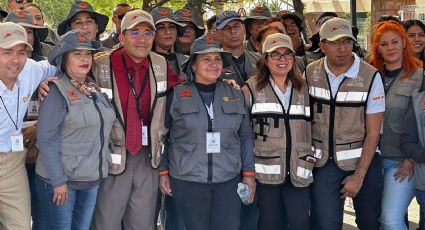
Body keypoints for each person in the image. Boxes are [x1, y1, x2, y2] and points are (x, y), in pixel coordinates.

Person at [90, 9, 181, 230]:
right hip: (111, 156)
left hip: (147, 157)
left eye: (148, 33)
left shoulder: (160, 64)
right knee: (106, 223)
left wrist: (220, 86)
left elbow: (182, 91)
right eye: (135, 33)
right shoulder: (100, 64)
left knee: (142, 223)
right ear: (121, 37)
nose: (142, 39)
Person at [159, 34, 256, 230]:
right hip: (187, 179)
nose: (213, 64)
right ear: (193, 65)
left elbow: (245, 136)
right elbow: (163, 136)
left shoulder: (235, 95)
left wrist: (249, 174)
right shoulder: (176, 95)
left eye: (217, 59)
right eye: (206, 59)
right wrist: (163, 172)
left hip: (227, 180)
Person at [305, 17, 385, 230]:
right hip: (324, 165)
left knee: (369, 223)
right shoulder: (310, 72)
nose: (342, 48)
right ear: (322, 46)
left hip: (363, 163)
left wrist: (359, 176)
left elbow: (374, 132)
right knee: (326, 224)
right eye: (334, 42)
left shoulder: (370, 76)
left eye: (347, 41)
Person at [35, 29, 116, 229]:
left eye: (87, 53)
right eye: (77, 54)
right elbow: (47, 139)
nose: (84, 58)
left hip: (90, 180)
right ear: (64, 59)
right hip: (62, 182)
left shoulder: (93, 88)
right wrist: (58, 181)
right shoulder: (55, 90)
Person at [242, 33, 313, 230]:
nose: (282, 60)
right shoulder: (250, 89)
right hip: (266, 175)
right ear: (265, 59)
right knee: (269, 225)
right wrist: (246, 172)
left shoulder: (304, 89)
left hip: (299, 172)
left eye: (287, 54)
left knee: (300, 224)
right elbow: (243, 135)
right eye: (275, 55)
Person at [0, 21, 57, 230]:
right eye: (7, 52)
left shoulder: (31, 69)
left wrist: (51, 81)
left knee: (20, 226)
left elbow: (65, 63)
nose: (15, 60)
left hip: (13, 163)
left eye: (22, 52)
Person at [368, 20, 423, 230]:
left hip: (401, 162)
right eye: (384, 44)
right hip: (371, 160)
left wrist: (411, 158)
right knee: (377, 220)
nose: (389, 48)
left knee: (391, 220)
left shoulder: (420, 76)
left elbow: (422, 122)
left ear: (403, 43)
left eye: (394, 42)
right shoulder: (369, 75)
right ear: (377, 48)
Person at [216, 10, 260, 86]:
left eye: (237, 26)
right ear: (218, 34)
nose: (233, 31)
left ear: (244, 29)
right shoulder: (214, 63)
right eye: (226, 28)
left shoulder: (259, 59)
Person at [151, 6, 188, 80]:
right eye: (161, 27)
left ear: (177, 31)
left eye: (172, 27)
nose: (168, 32)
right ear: (153, 33)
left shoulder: (188, 61)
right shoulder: (144, 61)